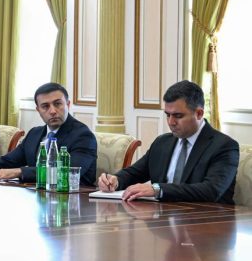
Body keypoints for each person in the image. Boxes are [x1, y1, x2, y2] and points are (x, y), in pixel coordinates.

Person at [98, 80, 239, 203]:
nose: (171, 122)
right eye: (167, 115)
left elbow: (211, 190)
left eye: (178, 116)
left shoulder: (224, 146)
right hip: (162, 218)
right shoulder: (162, 142)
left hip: (207, 220)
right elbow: (135, 173)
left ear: (199, 113)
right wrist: (115, 180)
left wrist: (158, 189)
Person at [0, 82, 97, 186]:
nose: (52, 111)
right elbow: (9, 161)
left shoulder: (83, 136)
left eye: (57, 104)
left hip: (74, 199)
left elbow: (67, 173)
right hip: (37, 196)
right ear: (38, 110)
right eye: (45, 106)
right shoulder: (35, 134)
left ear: (68, 104)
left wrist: (20, 172)